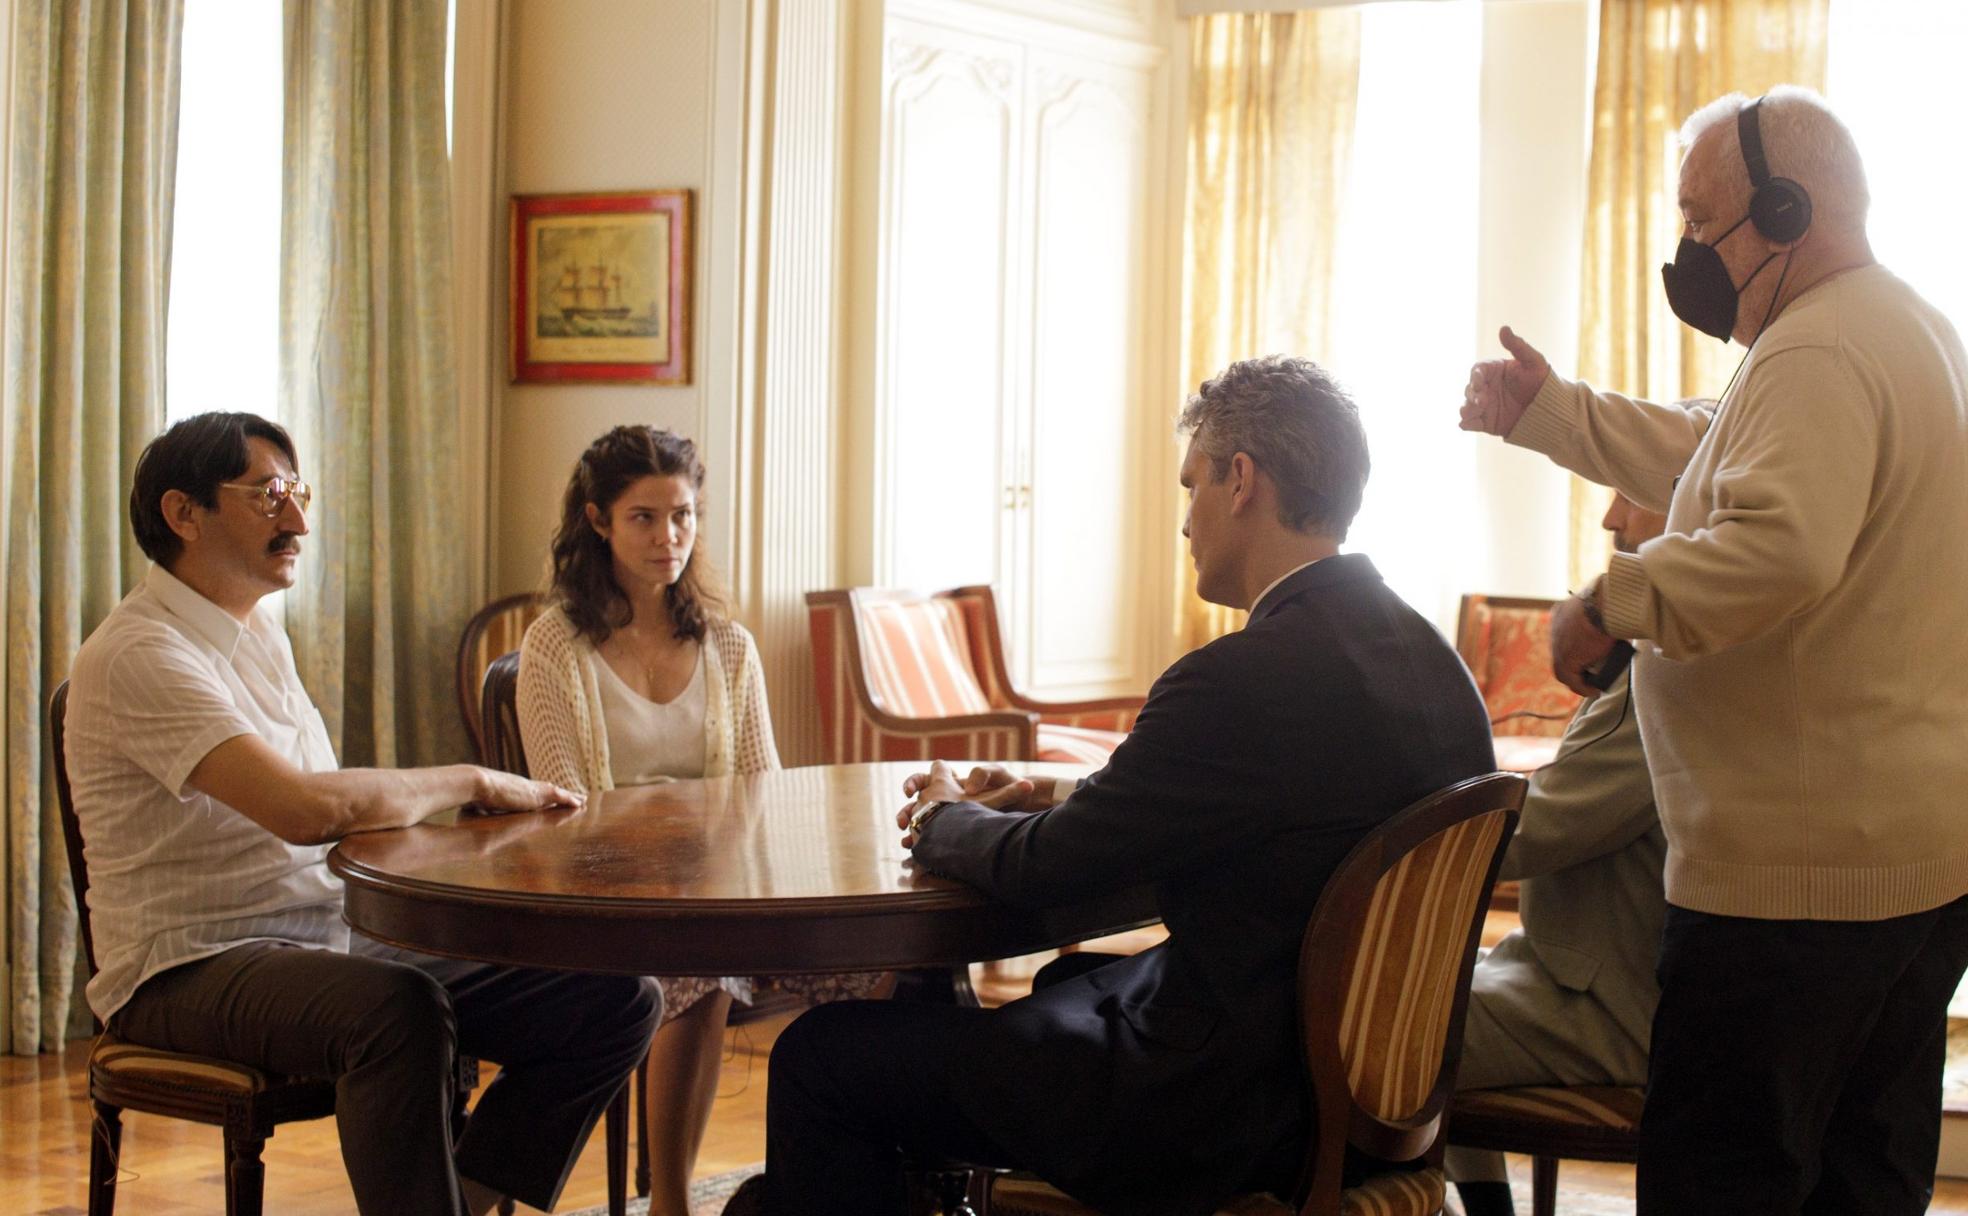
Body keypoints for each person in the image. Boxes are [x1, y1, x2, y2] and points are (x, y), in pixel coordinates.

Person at [728, 355, 1497, 1216]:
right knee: (1060, 991)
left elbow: (1044, 871)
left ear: (1240, 480)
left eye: (1189, 485)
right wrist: (1060, 800)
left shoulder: (1240, 680)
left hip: (1216, 1113)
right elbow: (1261, 814)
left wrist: (946, 817)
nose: (1185, 521)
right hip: (1352, 1101)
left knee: (823, 1057)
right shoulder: (1436, 665)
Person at [1459, 86, 1968, 1215]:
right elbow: (1715, 452)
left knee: (1726, 1185)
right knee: (1859, 1177)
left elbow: (1777, 545)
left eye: (1700, 219)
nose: (1685, 251)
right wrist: (1555, 412)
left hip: (1794, 892)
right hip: (1903, 863)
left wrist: (1613, 598)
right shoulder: (1893, 324)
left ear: (1784, 212)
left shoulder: (1821, 347)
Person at [63, 411, 661, 1216]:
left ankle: (457, 1202)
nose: (300, 521)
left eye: (298, 493)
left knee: (615, 996)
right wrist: (470, 779)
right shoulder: (143, 653)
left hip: (320, 934)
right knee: (395, 1010)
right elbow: (306, 810)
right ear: (183, 513)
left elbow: (325, 803)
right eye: (270, 495)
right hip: (185, 965)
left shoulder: (257, 632)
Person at [516, 424, 882, 1216]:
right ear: (597, 520)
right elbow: (562, 808)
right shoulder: (553, 644)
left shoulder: (728, 644)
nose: (668, 536)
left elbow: (764, 792)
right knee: (703, 971)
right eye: (644, 517)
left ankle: (833, 1185)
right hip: (606, 897)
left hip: (725, 887)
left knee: (879, 963)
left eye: (682, 515)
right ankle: (672, 1203)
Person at [1446, 493, 1670, 1216]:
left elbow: (1530, 832)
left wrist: (1373, 828)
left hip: (1603, 1009)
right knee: (1408, 1003)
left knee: (1370, 1026)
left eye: (1629, 496)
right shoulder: (1652, 669)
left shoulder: (1661, 680)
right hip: (1572, 980)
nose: (1608, 519)